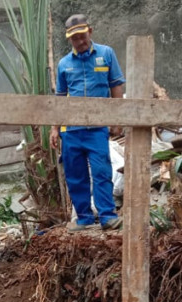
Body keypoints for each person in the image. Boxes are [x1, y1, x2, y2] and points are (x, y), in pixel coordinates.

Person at [50, 14, 125, 232]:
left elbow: (116, 86)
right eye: (75, 39)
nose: (80, 42)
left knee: (101, 171)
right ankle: (83, 217)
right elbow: (60, 98)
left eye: (82, 37)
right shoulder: (64, 64)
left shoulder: (106, 54)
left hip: (97, 128)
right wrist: (55, 129)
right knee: (76, 174)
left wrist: (117, 118)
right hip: (71, 131)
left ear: (90, 32)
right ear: (69, 40)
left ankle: (107, 216)